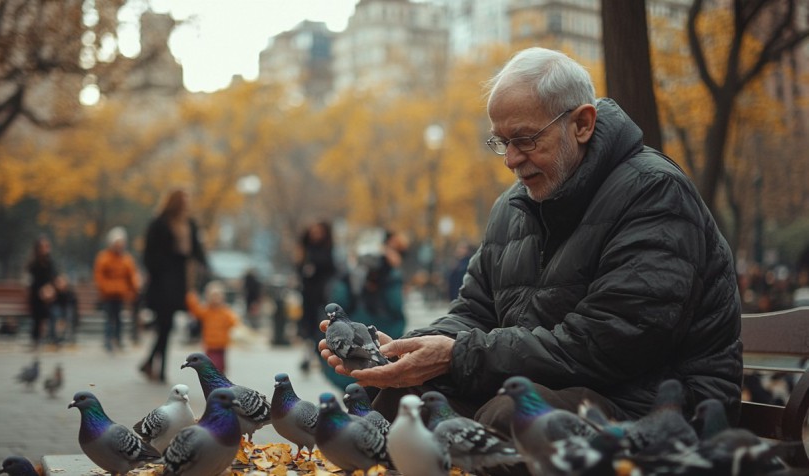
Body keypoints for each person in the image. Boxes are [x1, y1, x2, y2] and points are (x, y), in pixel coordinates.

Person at [320, 47, 742, 453]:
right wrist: (403, 351)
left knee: (513, 415)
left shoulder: (654, 193)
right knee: (409, 399)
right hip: (563, 388)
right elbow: (475, 311)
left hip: (660, 407)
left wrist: (458, 355)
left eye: (524, 139)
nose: (510, 160)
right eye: (501, 142)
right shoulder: (513, 206)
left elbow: (612, 341)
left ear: (582, 124)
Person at [323, 230, 409, 390]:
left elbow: (337, 302)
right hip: (382, 346)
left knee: (356, 392)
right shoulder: (390, 279)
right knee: (377, 392)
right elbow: (397, 309)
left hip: (356, 351)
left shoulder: (349, 279)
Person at [140, 187, 208, 383]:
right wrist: (158, 271)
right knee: (165, 323)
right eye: (184, 199)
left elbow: (196, 250)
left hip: (180, 279)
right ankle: (157, 369)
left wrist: (205, 266)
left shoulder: (189, 224)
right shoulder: (159, 223)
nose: (187, 203)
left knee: (166, 325)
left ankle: (150, 363)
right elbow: (149, 254)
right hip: (163, 279)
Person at [296, 220, 336, 374]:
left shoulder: (327, 250)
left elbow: (330, 269)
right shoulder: (305, 250)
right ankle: (309, 356)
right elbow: (300, 270)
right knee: (309, 327)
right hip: (308, 296)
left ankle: (316, 356)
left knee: (320, 327)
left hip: (323, 296)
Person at [93, 227, 141, 352]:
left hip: (121, 294)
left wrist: (134, 289)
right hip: (108, 294)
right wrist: (104, 288)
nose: (120, 246)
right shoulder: (104, 257)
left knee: (119, 318)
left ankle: (118, 340)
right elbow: (99, 276)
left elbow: (131, 276)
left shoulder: (126, 259)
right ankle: (108, 341)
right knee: (109, 318)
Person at [186, 280, 240, 373]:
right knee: (211, 366)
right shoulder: (206, 311)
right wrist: (191, 295)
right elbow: (195, 309)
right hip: (210, 345)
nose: (215, 298)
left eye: (218, 295)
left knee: (221, 367)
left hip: (221, 345)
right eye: (213, 296)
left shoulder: (225, 312)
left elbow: (234, 322)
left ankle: (220, 382)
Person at [26, 236, 57, 349]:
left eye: (47, 246)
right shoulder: (33, 262)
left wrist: (50, 289)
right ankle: (36, 339)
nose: (46, 248)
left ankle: (48, 338)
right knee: (39, 310)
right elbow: (32, 281)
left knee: (50, 309)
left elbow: (53, 277)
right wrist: (42, 290)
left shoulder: (50, 262)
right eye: (44, 246)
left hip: (50, 294)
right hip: (36, 294)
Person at [50, 274, 79, 345]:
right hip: (58, 313)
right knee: (56, 315)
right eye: (59, 282)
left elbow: (73, 304)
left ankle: (69, 339)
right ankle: (56, 339)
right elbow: (52, 304)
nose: (61, 284)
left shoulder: (69, 292)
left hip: (68, 312)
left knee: (69, 315)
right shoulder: (55, 292)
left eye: (62, 281)